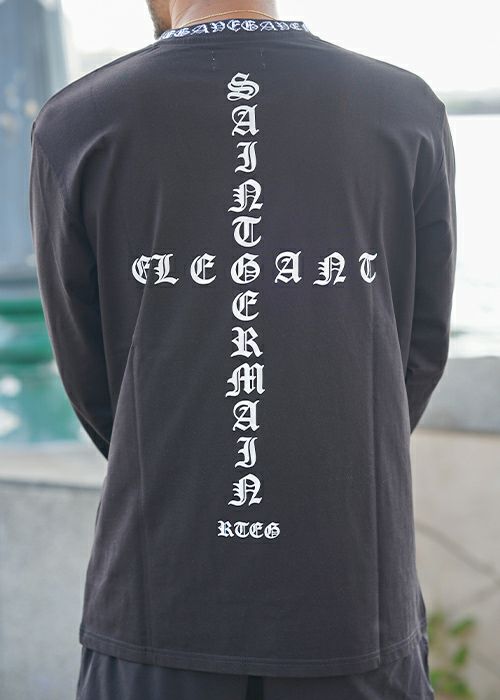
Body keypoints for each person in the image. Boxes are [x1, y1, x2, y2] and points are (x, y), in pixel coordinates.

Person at [29, 1, 457, 698]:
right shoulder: (404, 110)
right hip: (350, 592)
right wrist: (336, 464)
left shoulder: (79, 122)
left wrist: (177, 467)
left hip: (160, 592)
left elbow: (93, 378)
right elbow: (418, 351)